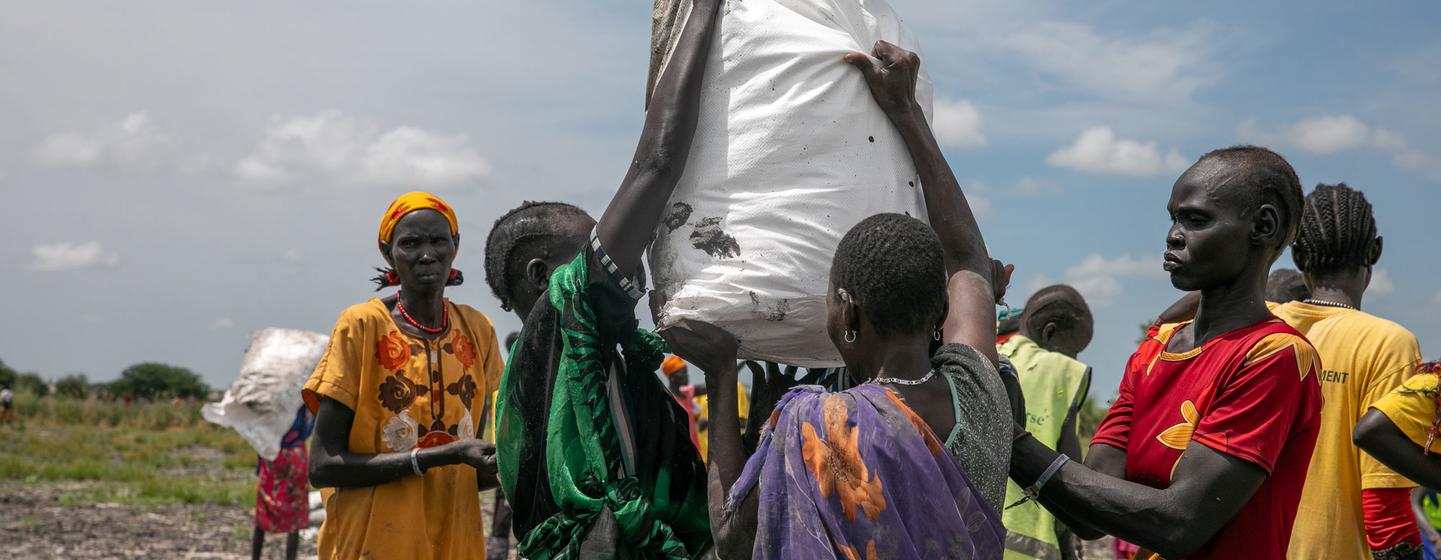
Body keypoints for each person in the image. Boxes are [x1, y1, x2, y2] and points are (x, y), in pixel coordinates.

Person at [680, 40, 1011, 559]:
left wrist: (723, 377)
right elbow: (968, 260)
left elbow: (732, 538)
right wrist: (906, 112)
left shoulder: (815, 422)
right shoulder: (977, 392)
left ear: (848, 313)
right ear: (941, 312)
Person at [485, 1, 720, 556]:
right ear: (542, 278)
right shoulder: (549, 335)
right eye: (595, 248)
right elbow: (655, 165)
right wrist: (703, 12)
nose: (629, 258)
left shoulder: (611, 362)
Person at [1009, 145, 1323, 559]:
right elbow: (1089, 514)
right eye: (1174, 218)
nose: (1173, 235)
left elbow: (1180, 522)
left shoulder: (1273, 357)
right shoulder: (1156, 350)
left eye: (1196, 220)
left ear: (1263, 226)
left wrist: (1012, 443)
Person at [304, 191, 506, 560]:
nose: (426, 254)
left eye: (438, 241)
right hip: (373, 542)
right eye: (410, 243)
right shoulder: (363, 327)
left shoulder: (478, 330)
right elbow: (323, 466)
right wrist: (435, 457)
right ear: (388, 252)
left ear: (455, 246)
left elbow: (471, 469)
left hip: (455, 539)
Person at [1272, 183, 1425, 560]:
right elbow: (1384, 507)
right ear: (1375, 251)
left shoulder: (1264, 326)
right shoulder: (1386, 343)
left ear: (1297, 255)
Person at [999, 285, 1094, 560]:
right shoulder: (1062, 371)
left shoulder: (984, 351)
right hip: (1030, 549)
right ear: (1049, 332)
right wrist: (1068, 545)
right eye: (1075, 350)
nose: (1075, 359)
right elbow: (1067, 480)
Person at [253, 406, 314, 560]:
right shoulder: (303, 398)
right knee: (295, 511)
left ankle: (255, 557)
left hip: (272, 452)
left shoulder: (274, 397)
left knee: (264, 506)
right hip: (297, 455)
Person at [485, 332, 520, 560]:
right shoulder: (516, 378)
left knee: (503, 509)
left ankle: (497, 554)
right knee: (514, 508)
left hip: (499, 454)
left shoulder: (501, 379)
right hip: (513, 457)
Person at [663, 355, 701, 449]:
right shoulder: (669, 400)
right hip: (682, 448)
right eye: (682, 373)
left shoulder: (687, 393)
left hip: (696, 446)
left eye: (686, 372)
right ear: (672, 377)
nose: (686, 376)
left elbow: (714, 384)